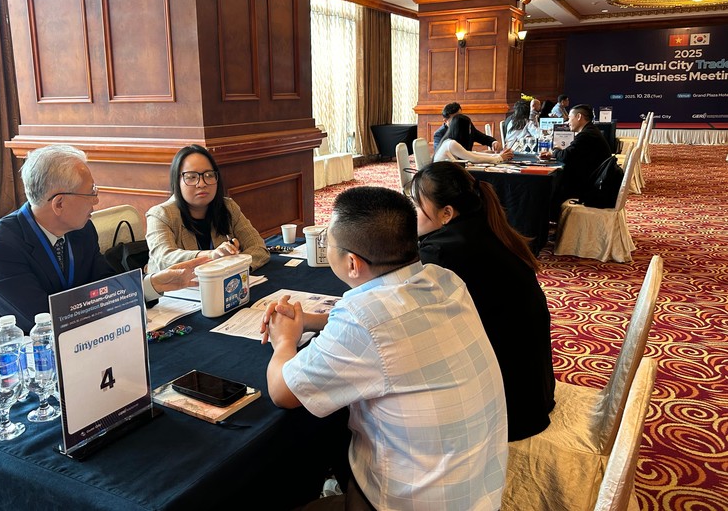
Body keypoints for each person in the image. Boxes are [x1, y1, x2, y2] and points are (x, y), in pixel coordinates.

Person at [260, 186, 508, 510]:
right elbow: (389, 324)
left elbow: (283, 392)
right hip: (478, 489)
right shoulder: (445, 280)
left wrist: (283, 340)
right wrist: (309, 320)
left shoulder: (363, 320)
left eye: (328, 243)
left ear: (352, 263)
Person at [0, 145, 205, 347]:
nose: (96, 200)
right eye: (91, 193)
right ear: (59, 203)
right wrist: (104, 302)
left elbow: (105, 285)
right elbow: (43, 320)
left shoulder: (82, 231)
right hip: (22, 368)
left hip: (88, 346)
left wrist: (152, 284)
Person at [409, 161, 556, 441]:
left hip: (505, 410)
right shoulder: (487, 227)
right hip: (532, 390)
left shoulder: (443, 252)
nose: (410, 213)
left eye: (416, 205)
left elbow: (406, 313)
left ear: (446, 213)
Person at [146, 145, 269, 272]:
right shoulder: (160, 214)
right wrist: (211, 256)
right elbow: (164, 259)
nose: (201, 183)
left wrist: (230, 270)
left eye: (209, 175)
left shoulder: (228, 207)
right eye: (191, 177)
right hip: (177, 285)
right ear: (177, 181)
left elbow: (258, 248)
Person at [540, 104, 612, 215]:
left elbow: (566, 156)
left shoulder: (586, 135)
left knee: (547, 187)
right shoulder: (590, 131)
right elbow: (571, 153)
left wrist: (555, 150)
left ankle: (547, 219)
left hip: (592, 187)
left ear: (578, 117)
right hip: (596, 180)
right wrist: (558, 153)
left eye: (569, 118)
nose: (568, 122)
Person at [434, 114, 513, 164]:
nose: (470, 131)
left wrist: (497, 155)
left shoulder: (449, 141)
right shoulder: (451, 144)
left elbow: (471, 154)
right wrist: (499, 157)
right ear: (463, 129)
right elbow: (473, 158)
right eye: (469, 128)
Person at [434, 101, 501, 152]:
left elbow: (481, 137)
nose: (460, 119)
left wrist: (493, 142)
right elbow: (441, 153)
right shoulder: (439, 134)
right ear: (445, 121)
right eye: (456, 118)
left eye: (461, 115)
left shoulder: (466, 125)